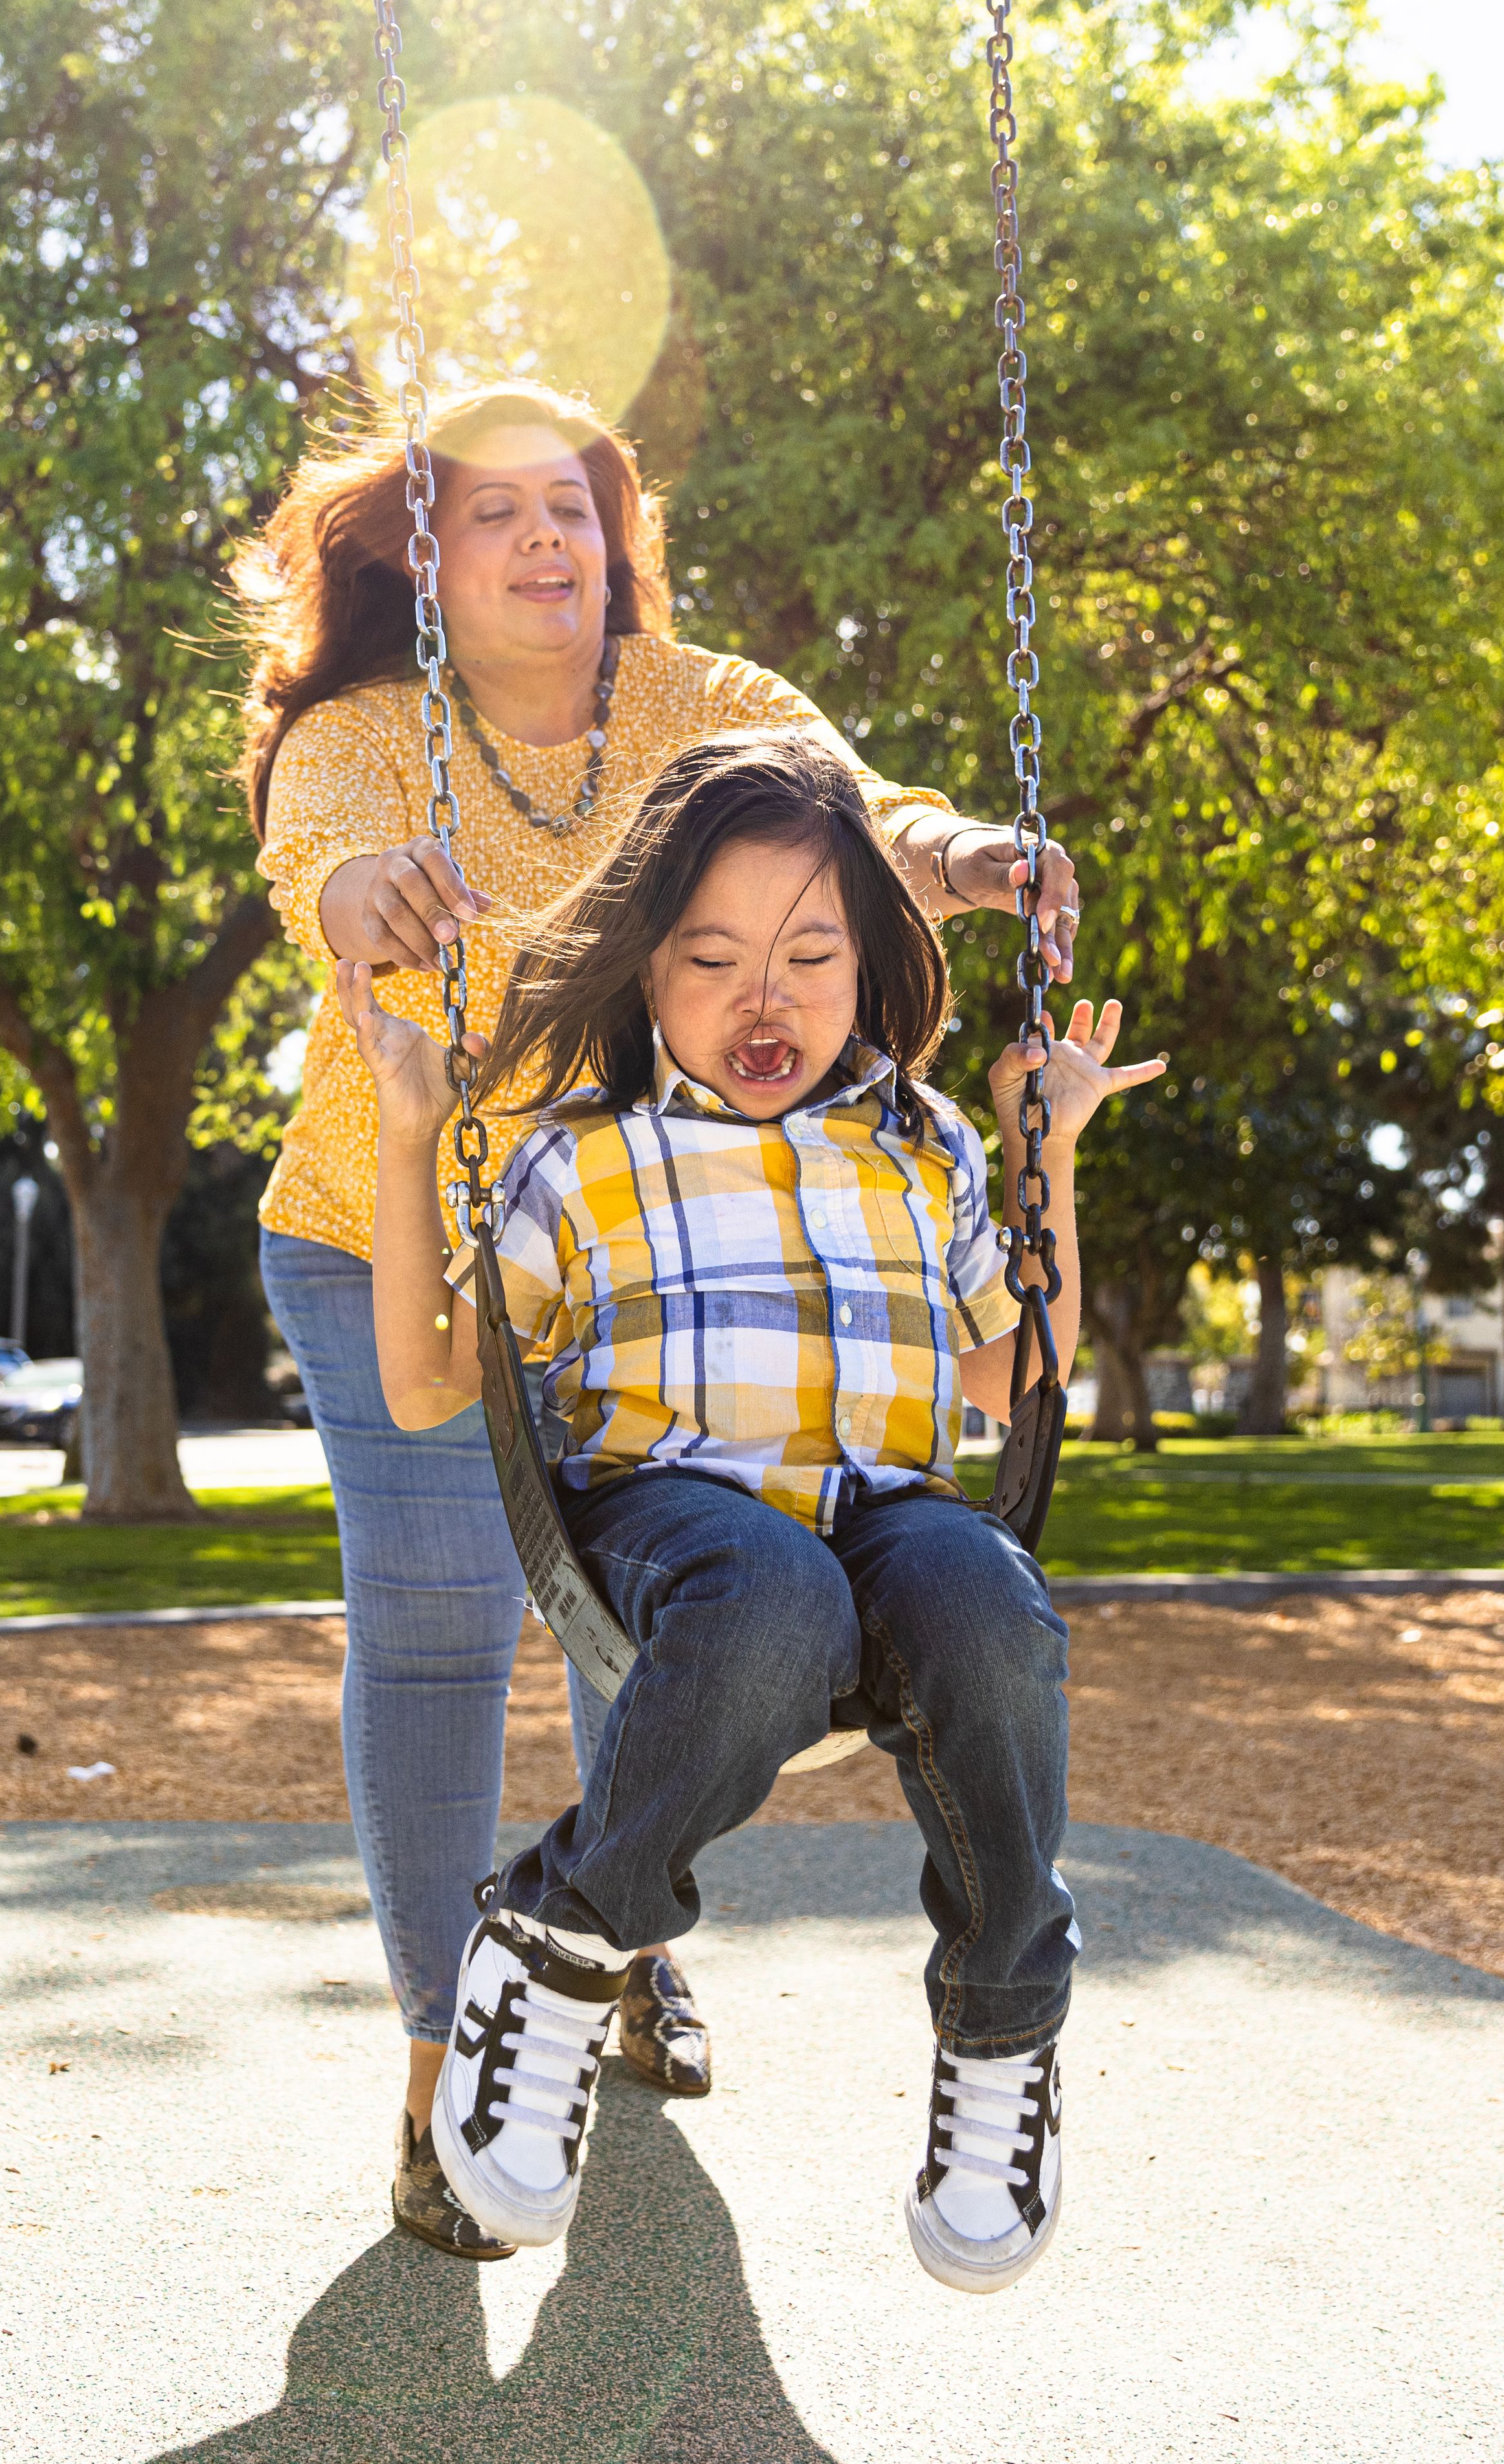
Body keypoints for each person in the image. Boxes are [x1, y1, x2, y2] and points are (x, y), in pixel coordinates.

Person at [237, 381, 1084, 2256]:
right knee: (449, 1622)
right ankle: (434, 2042)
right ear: (424, 561)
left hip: (706, 1216)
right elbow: (326, 869)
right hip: (415, 1214)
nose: (549, 541)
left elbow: (868, 818)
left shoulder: (705, 703)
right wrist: (368, 890)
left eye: (576, 504)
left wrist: (965, 865)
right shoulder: (366, 734)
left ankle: (612, 1926)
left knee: (686, 1599)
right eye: (497, 514)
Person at [339, 731, 1150, 2293]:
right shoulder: (577, 1160)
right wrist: (403, 1127)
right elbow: (431, 1377)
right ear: (645, 971)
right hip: (666, 1517)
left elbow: (1019, 1367)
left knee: (985, 1606)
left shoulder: (923, 1143)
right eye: (709, 956)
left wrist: (1046, 1147)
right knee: (774, 1595)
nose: (759, 995)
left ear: (872, 960)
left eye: (806, 952)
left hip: (883, 1516)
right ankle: (564, 1945)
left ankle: (1002, 2027)